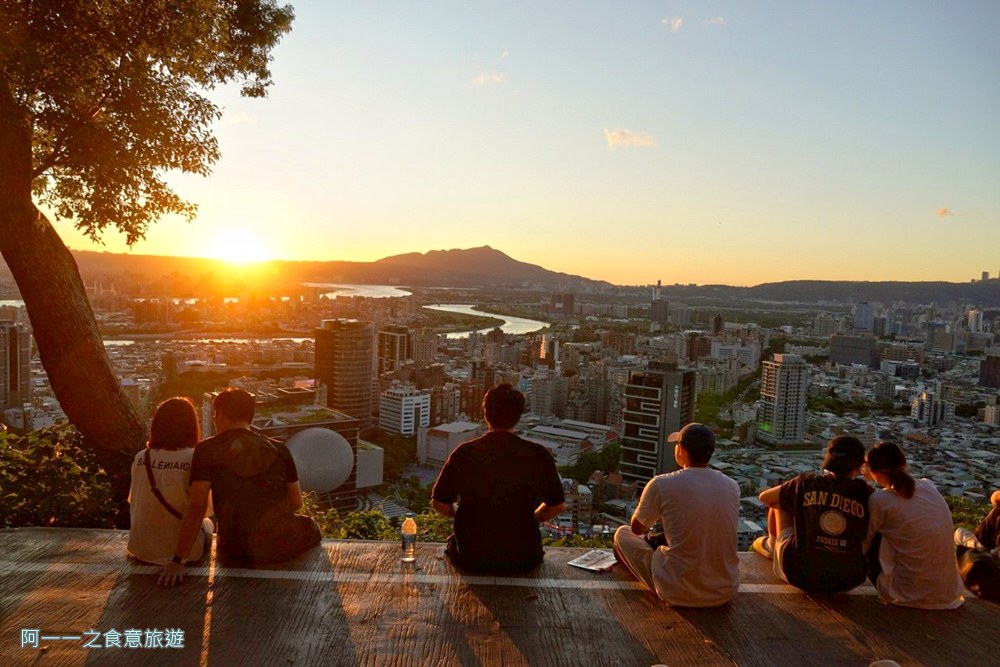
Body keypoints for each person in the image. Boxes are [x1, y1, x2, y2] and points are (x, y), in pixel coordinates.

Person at [158, 388, 320, 585]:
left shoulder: (207, 450)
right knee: (310, 525)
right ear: (251, 416)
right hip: (281, 545)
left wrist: (178, 559)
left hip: (234, 548)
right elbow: (296, 502)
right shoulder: (279, 449)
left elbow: (197, 505)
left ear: (220, 415)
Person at [431, 383, 565, 573]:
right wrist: (530, 518)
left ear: (485, 414)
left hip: (471, 556)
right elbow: (557, 505)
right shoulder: (538, 454)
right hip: (524, 557)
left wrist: (463, 514)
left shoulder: (465, 453)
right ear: (518, 417)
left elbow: (439, 502)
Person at [613, 423, 740, 607]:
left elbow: (637, 528)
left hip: (678, 591)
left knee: (622, 534)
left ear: (681, 449)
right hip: (725, 590)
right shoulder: (731, 486)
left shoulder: (662, 484)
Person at [754, 435, 872, 594]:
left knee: (780, 502)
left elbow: (765, 497)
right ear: (859, 466)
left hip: (798, 573)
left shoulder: (807, 482)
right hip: (848, 580)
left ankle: (773, 545)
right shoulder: (865, 492)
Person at [862, 441, 963, 609]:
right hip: (948, 594)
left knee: (874, 533)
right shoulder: (928, 486)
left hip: (904, 595)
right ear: (904, 465)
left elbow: (865, 542)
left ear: (874, 472)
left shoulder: (880, 500)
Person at [127, 397, 213, 565]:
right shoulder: (195, 459)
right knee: (208, 524)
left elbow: (134, 501)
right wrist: (177, 560)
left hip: (140, 549)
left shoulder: (141, 457)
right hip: (181, 554)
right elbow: (200, 510)